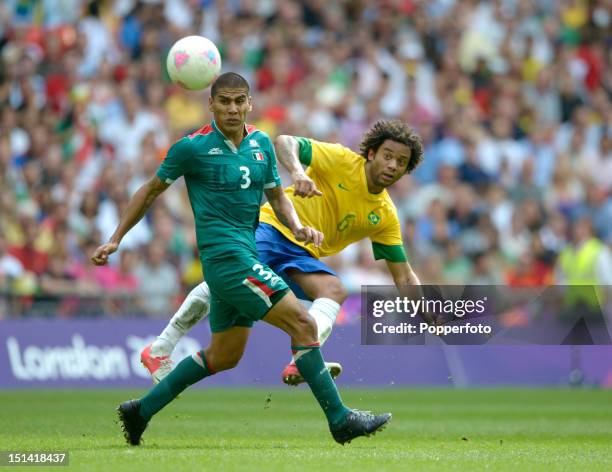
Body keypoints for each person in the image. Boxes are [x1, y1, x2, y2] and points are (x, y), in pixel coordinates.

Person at [91, 72, 391, 446]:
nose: (232, 108)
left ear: (249, 104)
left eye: (239, 101)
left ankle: (140, 411)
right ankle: (340, 419)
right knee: (303, 323)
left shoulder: (261, 144)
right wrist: (115, 239)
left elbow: (278, 198)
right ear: (211, 105)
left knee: (224, 354)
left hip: (245, 255)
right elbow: (150, 191)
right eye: (224, 102)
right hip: (226, 261)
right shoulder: (192, 148)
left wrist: (297, 226)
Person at [142, 119, 424, 386]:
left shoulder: (385, 214)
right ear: (372, 153)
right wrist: (299, 173)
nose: (392, 165)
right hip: (274, 229)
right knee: (221, 285)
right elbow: (285, 141)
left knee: (334, 289)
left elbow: (404, 276)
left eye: (401, 162)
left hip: (302, 256)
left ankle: (301, 359)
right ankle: (160, 348)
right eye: (388, 155)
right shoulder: (342, 160)